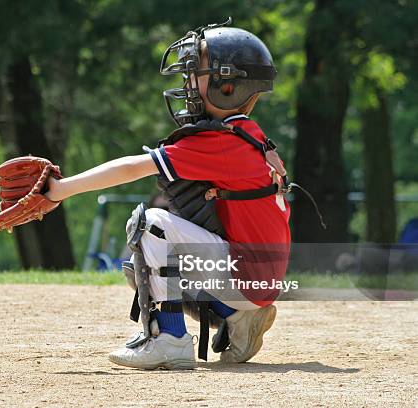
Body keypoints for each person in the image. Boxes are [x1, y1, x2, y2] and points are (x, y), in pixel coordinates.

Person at [44, 21, 290, 369]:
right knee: (142, 267)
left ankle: (170, 339)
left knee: (149, 225)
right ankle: (237, 316)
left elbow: (132, 168)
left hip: (245, 276)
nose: (187, 83)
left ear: (228, 86)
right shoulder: (250, 135)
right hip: (257, 277)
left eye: (197, 74)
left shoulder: (221, 143)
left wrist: (61, 190)